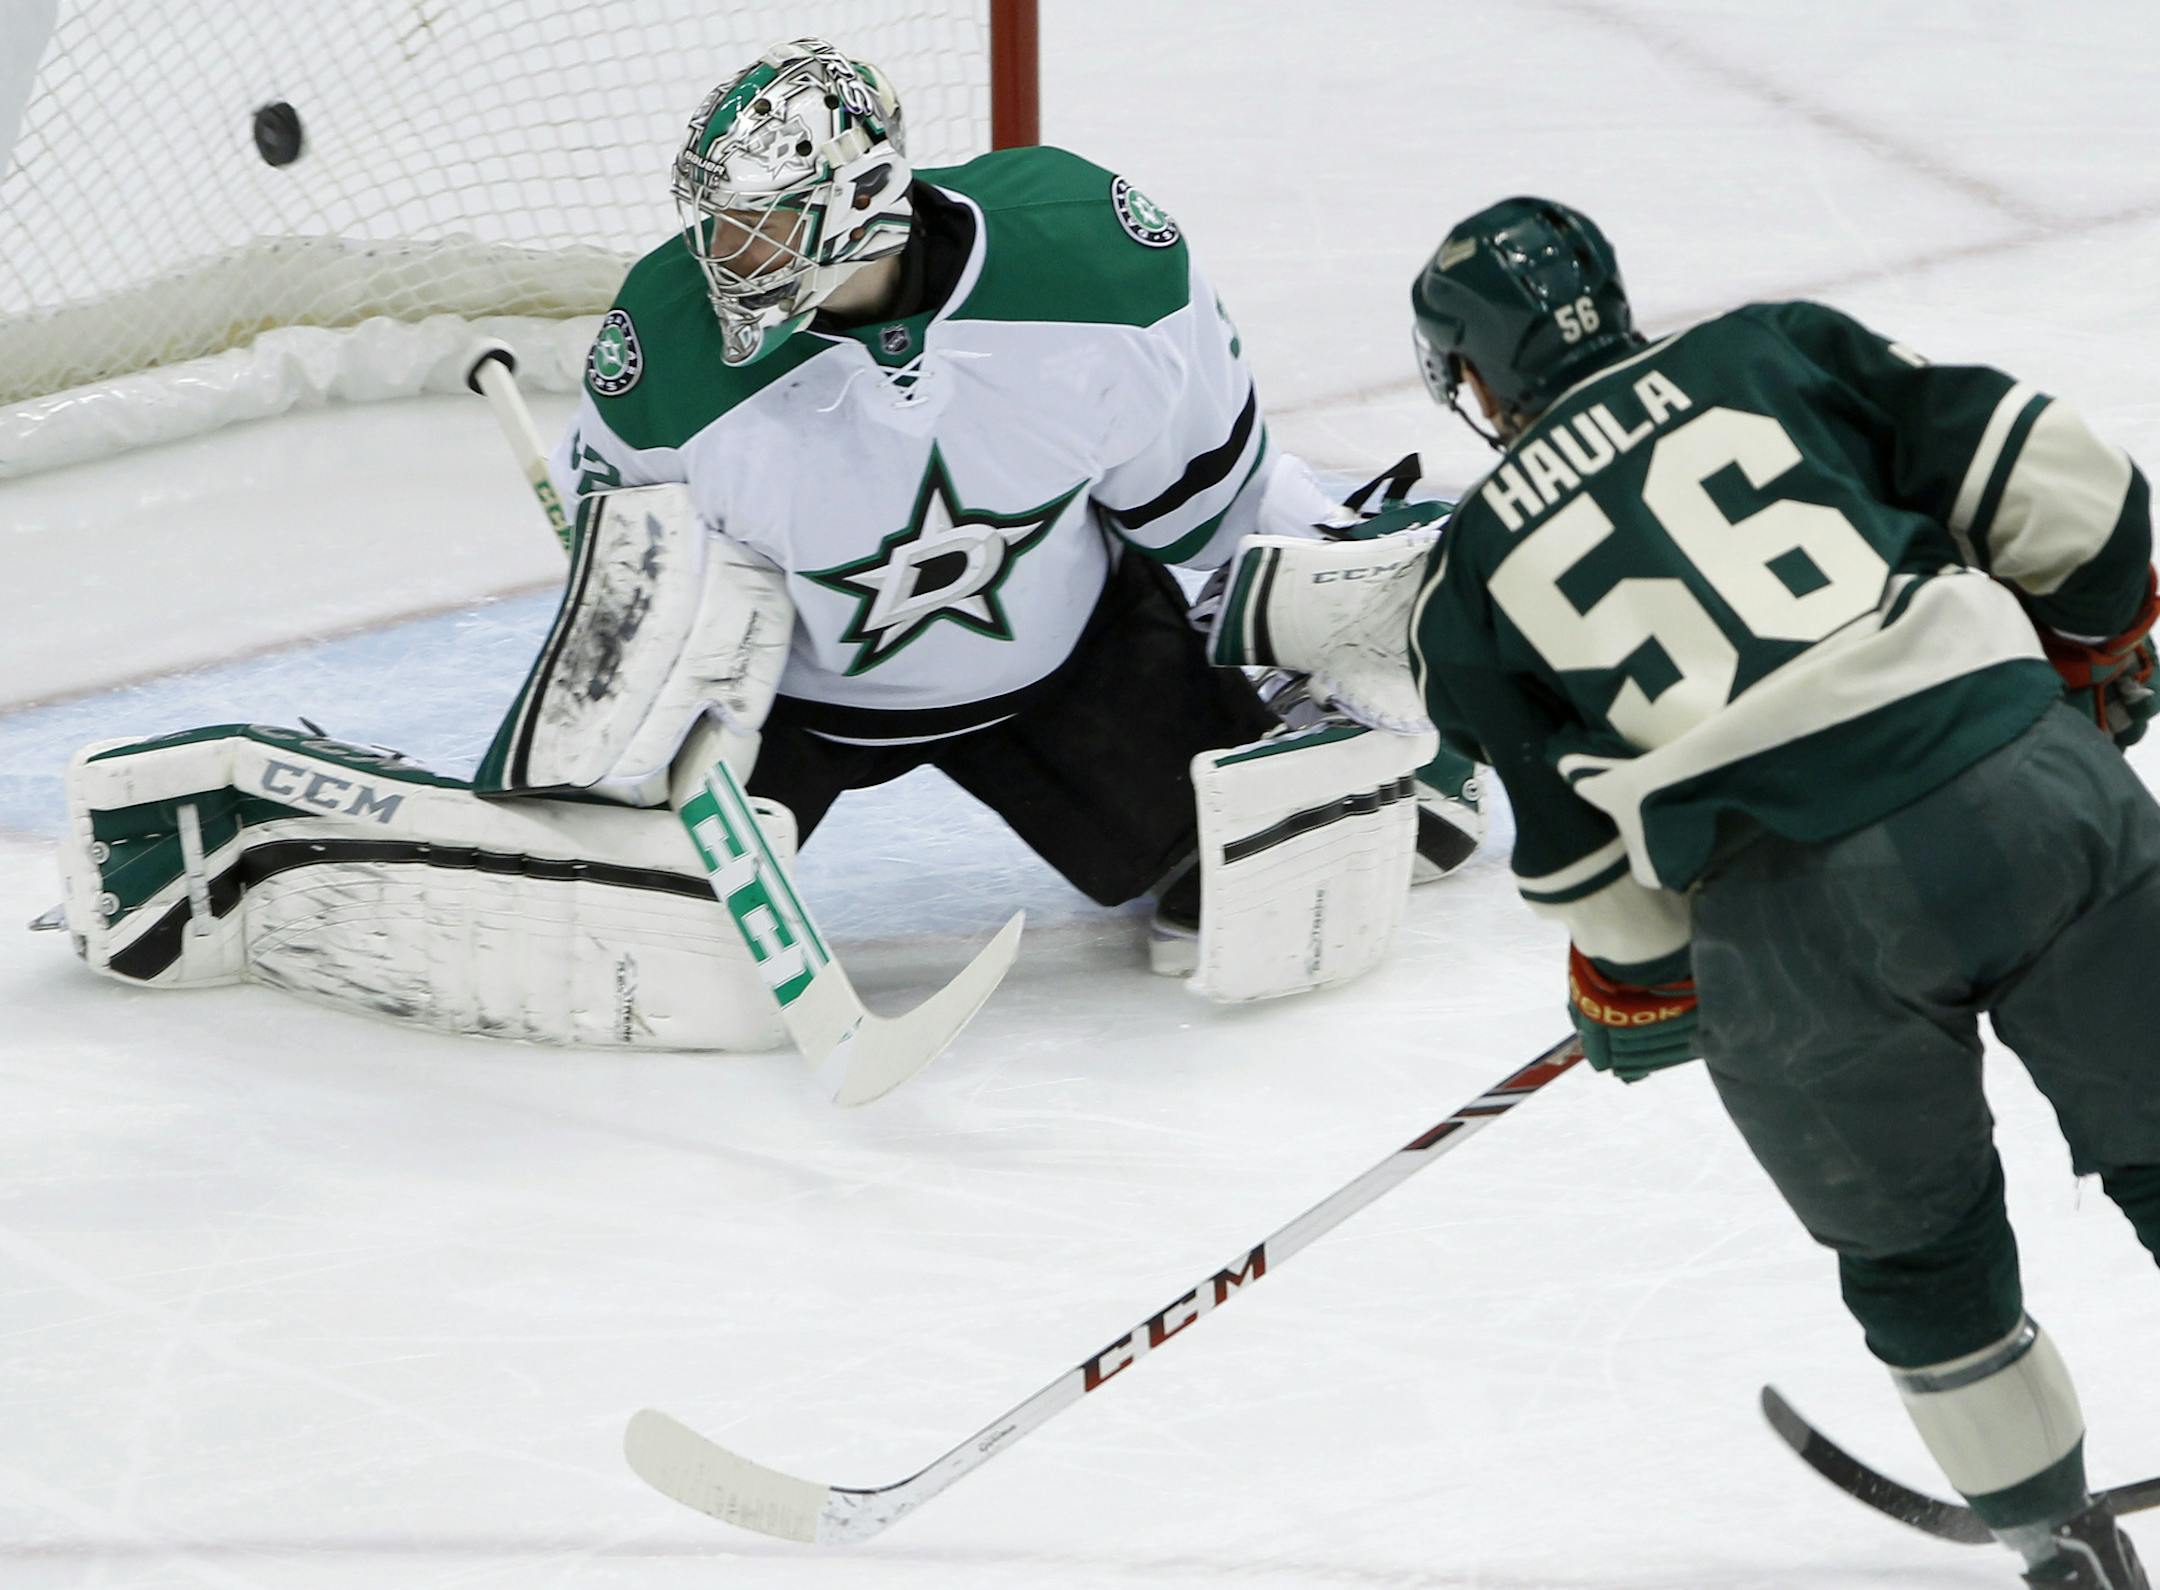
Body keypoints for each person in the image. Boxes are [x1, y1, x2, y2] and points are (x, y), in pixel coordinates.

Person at [1403, 197, 2158, 1586]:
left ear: (1473, 377)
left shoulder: (1465, 576)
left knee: (1921, 1259)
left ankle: (2059, 1544)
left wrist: (1641, 988)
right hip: (2024, 787)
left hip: (1795, 922)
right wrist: (2092, 638)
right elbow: (2076, 487)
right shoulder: (1771, 348)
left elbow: (1598, 886)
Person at [542, 38, 1479, 972]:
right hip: (788, 703)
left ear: (860, 199)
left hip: (1068, 667)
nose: (722, 256)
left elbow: (1208, 505)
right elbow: (636, 604)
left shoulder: (1089, 267)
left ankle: (1405, 611)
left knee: (1261, 881)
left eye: (759, 226)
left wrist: (1352, 623)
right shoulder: (664, 344)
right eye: (716, 222)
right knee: (623, 941)